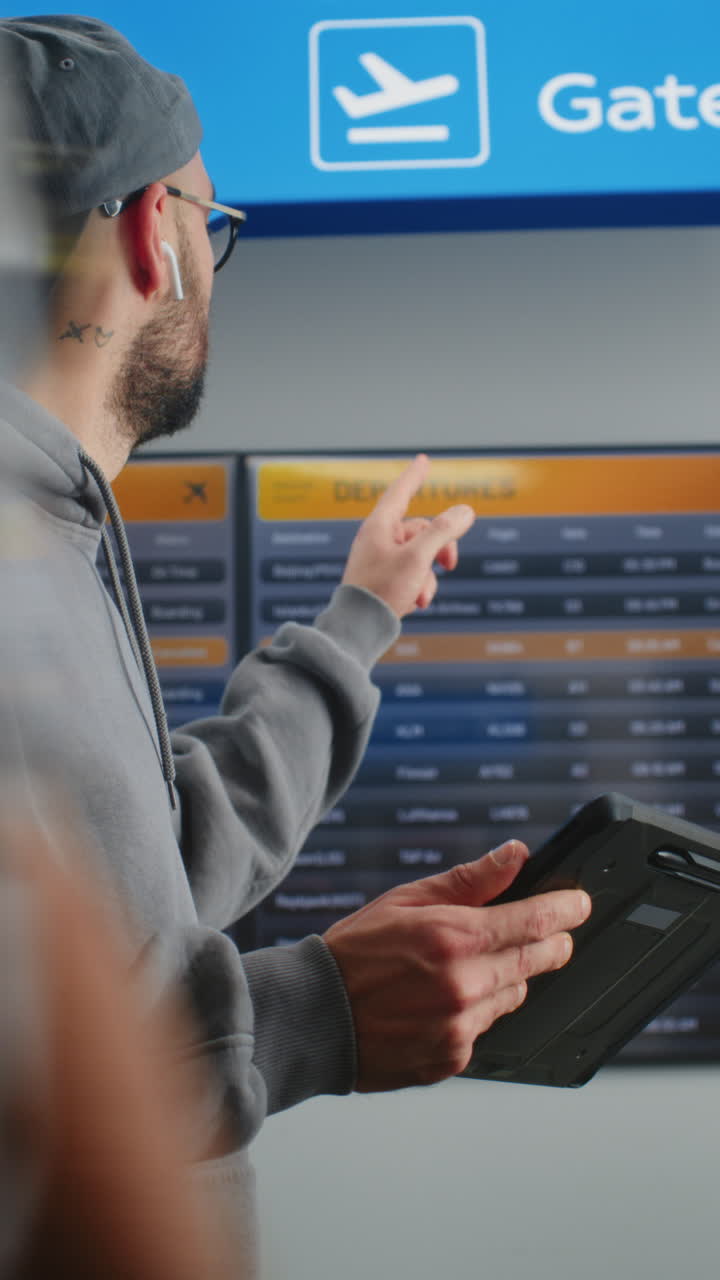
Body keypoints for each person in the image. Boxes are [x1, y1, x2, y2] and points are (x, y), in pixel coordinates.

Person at [0, 13, 591, 1262]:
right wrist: (313, 1005)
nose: (212, 260)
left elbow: (157, 870)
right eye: (214, 224)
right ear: (150, 231)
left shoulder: (52, 539)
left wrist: (358, 614)